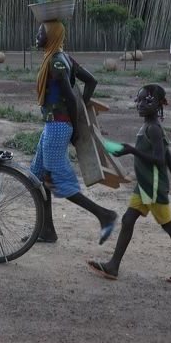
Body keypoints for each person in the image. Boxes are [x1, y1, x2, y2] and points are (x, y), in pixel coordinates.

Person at [87, 84, 171, 284]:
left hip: (154, 186)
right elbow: (168, 156)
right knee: (127, 220)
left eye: (146, 101)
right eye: (138, 100)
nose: (140, 104)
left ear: (159, 104)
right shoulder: (148, 127)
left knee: (169, 226)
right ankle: (113, 266)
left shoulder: (154, 129)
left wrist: (132, 150)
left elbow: (160, 160)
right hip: (144, 186)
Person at [31, 20, 117, 245]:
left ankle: (104, 215)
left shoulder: (56, 62)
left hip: (59, 126)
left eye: (41, 33)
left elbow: (70, 96)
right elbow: (91, 81)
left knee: (57, 180)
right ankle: (47, 230)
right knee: (37, 177)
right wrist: (79, 109)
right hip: (53, 124)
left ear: (52, 37)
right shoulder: (62, 58)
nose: (37, 35)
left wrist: (76, 124)